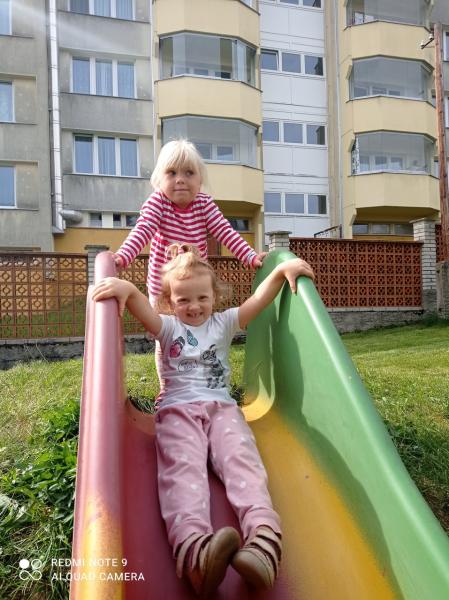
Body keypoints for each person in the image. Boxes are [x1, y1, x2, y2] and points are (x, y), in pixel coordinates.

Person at [92, 244, 314, 598]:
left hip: (222, 409)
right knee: (183, 472)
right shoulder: (167, 327)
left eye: (202, 298)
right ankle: (196, 554)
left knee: (243, 463)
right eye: (183, 300)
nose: (194, 306)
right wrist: (128, 289)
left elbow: (258, 300)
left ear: (214, 296)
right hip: (178, 412)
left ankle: (263, 544)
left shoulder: (224, 323)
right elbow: (142, 308)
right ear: (169, 301)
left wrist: (278, 272)